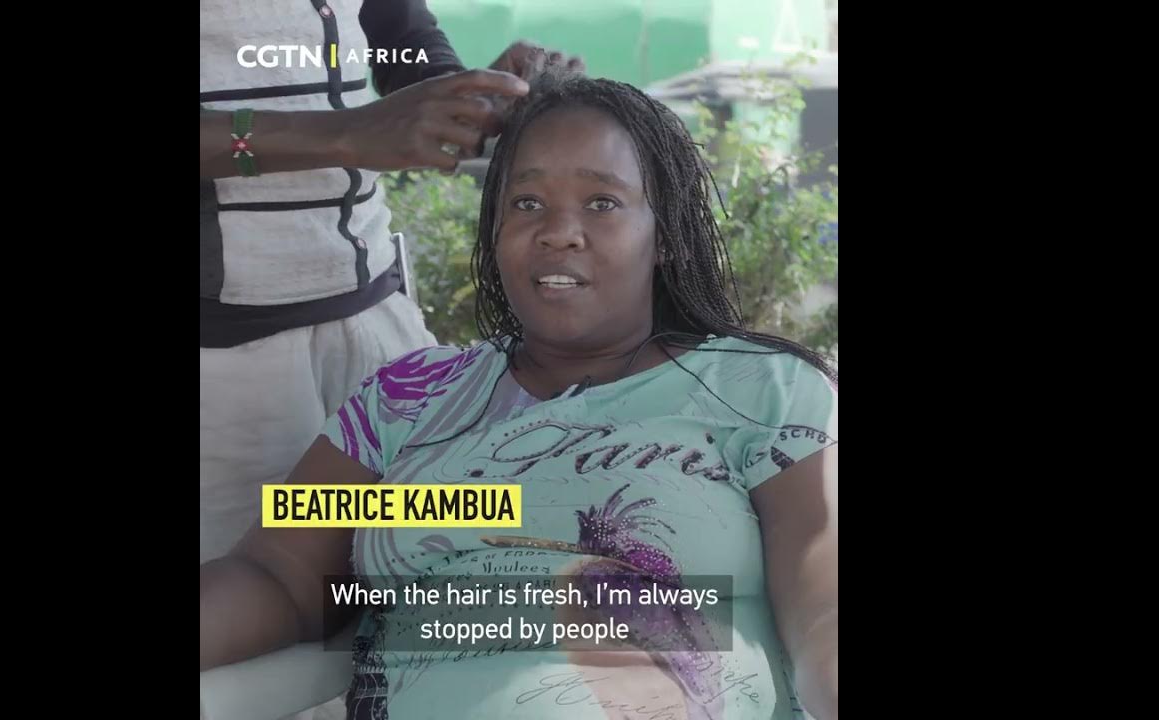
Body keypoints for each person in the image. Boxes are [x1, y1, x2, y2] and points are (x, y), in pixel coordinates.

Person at [200, 69, 838, 720]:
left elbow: (824, 599)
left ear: (665, 235)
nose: (559, 231)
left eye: (602, 202)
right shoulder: (402, 402)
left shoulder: (761, 389)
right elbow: (281, 574)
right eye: (527, 203)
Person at [200, 0, 582, 563]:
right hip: (227, 369)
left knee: (413, 567)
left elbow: (396, 34)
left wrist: (465, 97)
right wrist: (347, 133)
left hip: (380, 338)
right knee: (255, 595)